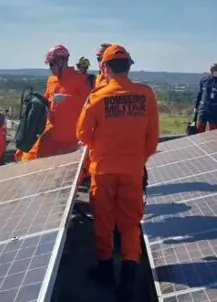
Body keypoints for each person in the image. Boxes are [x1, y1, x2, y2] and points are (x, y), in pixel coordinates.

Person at [76, 44, 159, 300]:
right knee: (130, 224)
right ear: (129, 66)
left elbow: (82, 134)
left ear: (105, 67)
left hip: (103, 171)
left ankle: (105, 272)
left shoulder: (97, 97)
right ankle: (128, 281)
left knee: (103, 221)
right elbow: (152, 139)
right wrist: (136, 159)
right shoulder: (146, 95)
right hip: (133, 171)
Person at [17, 44, 89, 161]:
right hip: (51, 130)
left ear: (61, 62)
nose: (50, 68)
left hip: (69, 135)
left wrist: (67, 99)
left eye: (51, 64)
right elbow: (47, 98)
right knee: (33, 158)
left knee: (66, 166)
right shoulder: (51, 80)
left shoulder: (78, 79)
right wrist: (35, 101)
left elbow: (88, 102)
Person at [193, 63, 217, 133]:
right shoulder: (204, 80)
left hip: (215, 110)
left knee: (214, 131)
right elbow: (200, 94)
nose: (215, 72)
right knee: (199, 129)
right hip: (203, 109)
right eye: (213, 70)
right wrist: (196, 106)